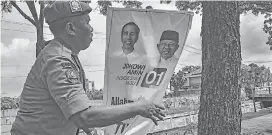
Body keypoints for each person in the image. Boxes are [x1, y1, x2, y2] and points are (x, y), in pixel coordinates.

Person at [10, 1, 165, 135]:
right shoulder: (58, 61)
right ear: (71, 28)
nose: (91, 29)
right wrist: (138, 107)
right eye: (87, 23)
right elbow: (83, 116)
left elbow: (75, 108)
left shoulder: (66, 54)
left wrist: (92, 130)